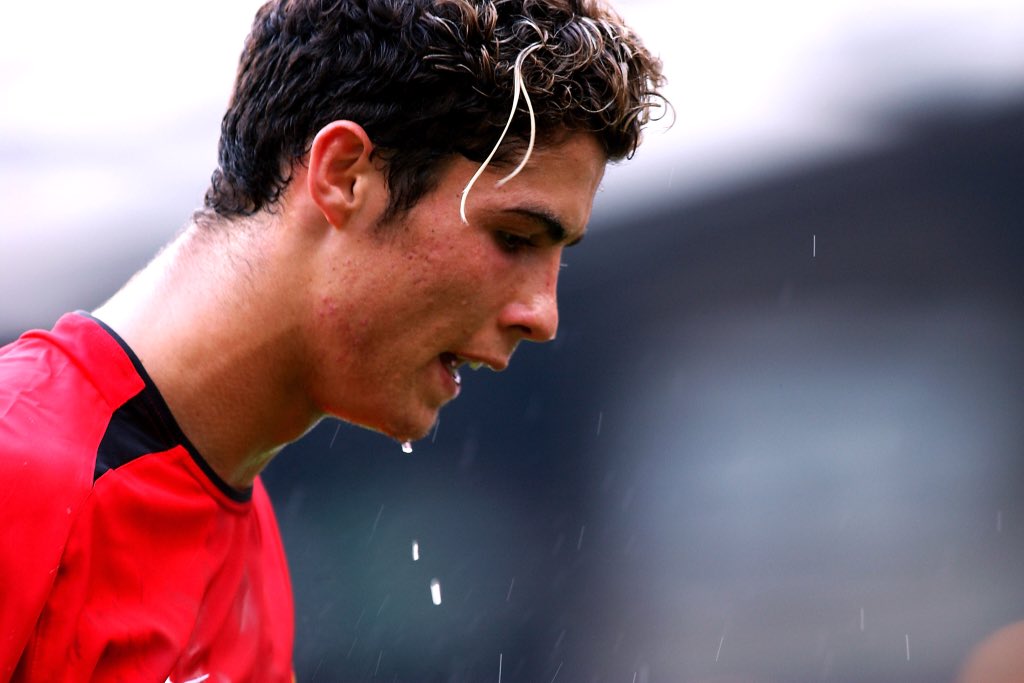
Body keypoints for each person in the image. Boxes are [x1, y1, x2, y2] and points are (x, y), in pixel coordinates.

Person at [0, 0, 665, 680]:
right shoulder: (17, 471)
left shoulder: (248, 549)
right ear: (343, 175)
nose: (543, 315)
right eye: (514, 237)